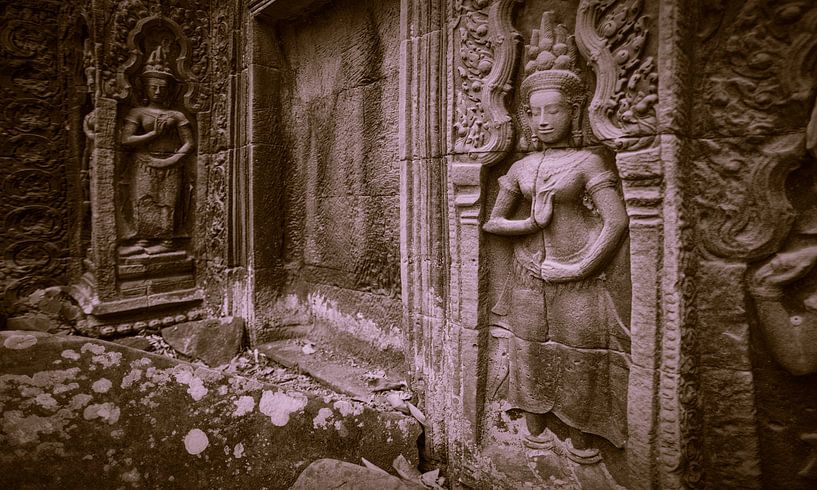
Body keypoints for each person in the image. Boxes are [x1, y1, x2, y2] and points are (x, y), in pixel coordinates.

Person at [482, 13, 631, 464]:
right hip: (528, 275)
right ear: (526, 116)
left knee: (583, 357)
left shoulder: (587, 162)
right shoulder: (521, 168)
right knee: (528, 350)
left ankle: (583, 443)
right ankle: (534, 433)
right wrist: (531, 223)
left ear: (576, 110)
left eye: (555, 110)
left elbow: (617, 221)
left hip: (580, 275)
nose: (544, 120)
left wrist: (578, 267)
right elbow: (492, 223)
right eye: (536, 111)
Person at [120, 43, 194, 256]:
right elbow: (126, 140)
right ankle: (142, 238)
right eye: (153, 87)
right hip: (143, 163)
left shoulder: (177, 115)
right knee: (143, 199)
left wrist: (171, 160)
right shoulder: (138, 112)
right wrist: (153, 135)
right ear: (144, 87)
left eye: (162, 87)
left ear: (170, 89)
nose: (158, 91)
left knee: (167, 202)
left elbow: (189, 143)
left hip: (171, 164)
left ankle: (168, 241)